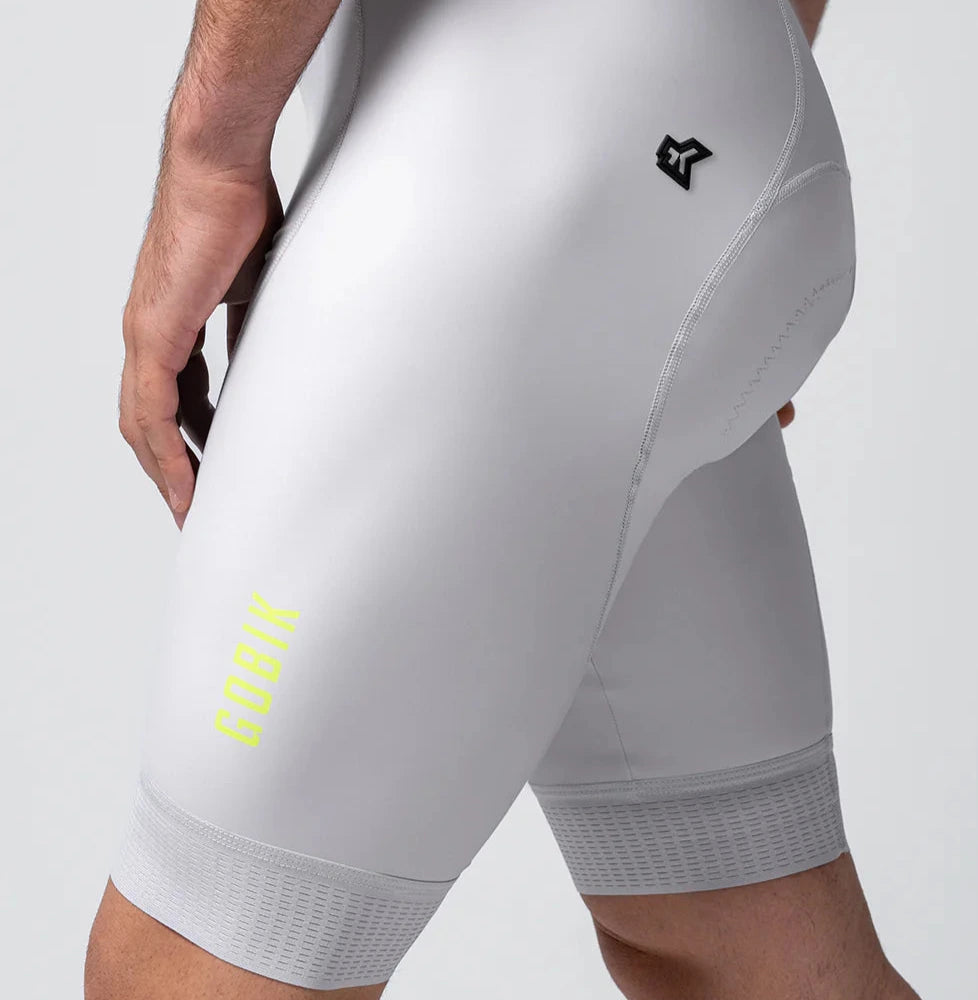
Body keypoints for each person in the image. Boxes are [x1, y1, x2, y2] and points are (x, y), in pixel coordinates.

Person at [87, 0, 920, 997]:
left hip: (522, 169)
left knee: (187, 965)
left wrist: (208, 158)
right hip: (718, 134)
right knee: (743, 956)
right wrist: (681, 244)